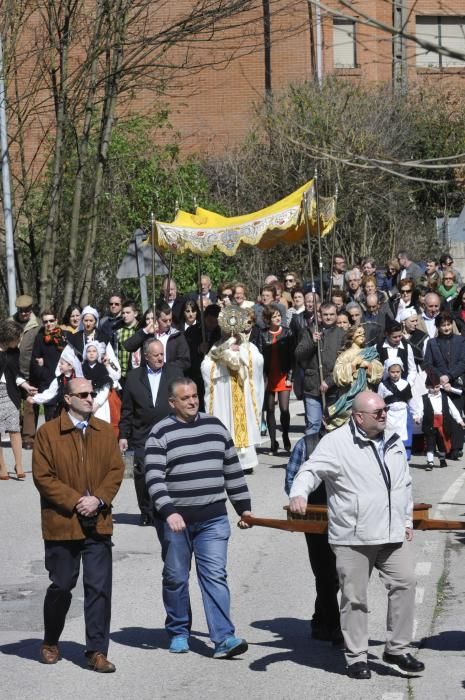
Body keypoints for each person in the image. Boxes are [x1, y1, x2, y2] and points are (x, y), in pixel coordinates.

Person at [289, 390, 425, 680]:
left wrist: (406, 519)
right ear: (358, 417)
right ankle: (356, 657)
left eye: (385, 410)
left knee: (406, 583)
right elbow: (310, 470)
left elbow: (404, 484)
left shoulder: (394, 440)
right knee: (355, 599)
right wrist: (299, 493)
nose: (384, 415)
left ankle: (397, 649)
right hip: (354, 536)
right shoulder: (336, 443)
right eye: (378, 412)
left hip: (391, 533)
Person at [144, 377, 252, 658]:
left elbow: (232, 470)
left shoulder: (215, 426)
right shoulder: (160, 433)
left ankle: (223, 638)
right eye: (185, 398)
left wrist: (244, 508)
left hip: (213, 518)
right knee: (176, 577)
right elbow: (153, 478)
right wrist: (169, 511)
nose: (192, 401)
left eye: (195, 396)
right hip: (175, 521)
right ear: (172, 403)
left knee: (214, 575)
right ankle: (179, 631)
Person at [32, 377, 124, 671]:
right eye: (82, 394)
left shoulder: (104, 431)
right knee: (61, 585)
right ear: (68, 399)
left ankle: (96, 651)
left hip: (98, 521)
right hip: (62, 523)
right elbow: (43, 477)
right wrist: (76, 500)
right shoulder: (48, 433)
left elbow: (115, 470)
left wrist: (98, 499)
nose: (89, 398)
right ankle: (50, 640)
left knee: (99, 587)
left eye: (91, 393)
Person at [119, 338, 183, 525]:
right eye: (156, 355)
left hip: (169, 431)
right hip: (141, 434)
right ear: (146, 356)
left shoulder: (175, 373)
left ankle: (165, 508)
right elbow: (127, 409)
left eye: (162, 354)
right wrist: (123, 435)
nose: (160, 358)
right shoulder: (133, 377)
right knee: (141, 474)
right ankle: (146, 511)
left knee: (168, 471)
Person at [285, 434, 341, 644]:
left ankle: (320, 619)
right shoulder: (307, 445)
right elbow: (292, 480)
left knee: (342, 576)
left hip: (349, 519)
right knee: (325, 574)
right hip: (317, 519)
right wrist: (300, 498)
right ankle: (334, 626)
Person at [201, 306, 264, 474]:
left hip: (242, 393)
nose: (230, 335)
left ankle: (246, 462)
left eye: (233, 332)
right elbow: (206, 367)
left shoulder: (248, 346)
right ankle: (226, 459)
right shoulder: (216, 346)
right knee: (225, 423)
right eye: (227, 332)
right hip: (223, 392)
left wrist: (243, 353)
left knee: (244, 424)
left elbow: (257, 362)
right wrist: (222, 356)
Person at [295, 302, 345, 436]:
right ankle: (311, 454)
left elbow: (344, 364)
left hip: (333, 388)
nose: (328, 317)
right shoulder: (309, 331)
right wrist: (312, 342)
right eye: (325, 315)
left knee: (333, 425)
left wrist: (329, 381)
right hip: (312, 387)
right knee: (313, 424)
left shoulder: (342, 334)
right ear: (320, 316)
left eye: (331, 314)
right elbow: (298, 355)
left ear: (336, 315)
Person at [423, 311, 465, 459]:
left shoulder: (460, 340)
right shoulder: (432, 343)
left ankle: (457, 447)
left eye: (448, 324)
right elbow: (427, 363)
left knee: (457, 414)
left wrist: (450, 376)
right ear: (437, 327)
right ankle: (445, 446)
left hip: (457, 384)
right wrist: (440, 377)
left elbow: (462, 362)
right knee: (444, 415)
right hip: (439, 385)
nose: (446, 328)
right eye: (443, 325)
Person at [0, 320, 37, 480]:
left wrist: (27, 386)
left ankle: (19, 464)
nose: (19, 341)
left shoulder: (15, 352)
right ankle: (2, 466)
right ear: (9, 338)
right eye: (18, 338)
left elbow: (16, 374)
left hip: (10, 393)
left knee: (15, 429)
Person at [327, 326, 383, 429]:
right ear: (352, 336)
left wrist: (369, 366)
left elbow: (379, 371)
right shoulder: (344, 356)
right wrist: (352, 365)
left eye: (363, 333)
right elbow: (337, 376)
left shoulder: (369, 353)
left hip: (366, 393)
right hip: (349, 394)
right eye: (359, 332)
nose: (362, 335)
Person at [258, 303, 294, 454]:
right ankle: (273, 442)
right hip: (268, 376)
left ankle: (285, 434)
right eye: (274, 316)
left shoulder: (288, 332)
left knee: (284, 409)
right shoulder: (262, 334)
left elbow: (293, 356)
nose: (278, 318)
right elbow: (259, 356)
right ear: (268, 319)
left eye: (279, 315)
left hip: (283, 375)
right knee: (270, 409)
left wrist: (290, 377)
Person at [412, 370, 465, 471]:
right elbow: (419, 409)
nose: (435, 389)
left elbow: (453, 409)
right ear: (427, 387)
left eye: (436, 387)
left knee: (442, 443)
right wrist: (417, 417)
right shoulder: (424, 398)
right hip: (430, 424)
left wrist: (460, 420)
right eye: (432, 387)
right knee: (430, 443)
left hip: (442, 423)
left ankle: (442, 459)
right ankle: (430, 462)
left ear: (439, 386)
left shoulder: (445, 397)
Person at [10, 294, 40, 449]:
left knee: (29, 404)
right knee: (13, 404)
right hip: (11, 371)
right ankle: (18, 431)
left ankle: (29, 437)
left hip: (30, 371)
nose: (24, 313)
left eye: (27, 310)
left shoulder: (37, 325)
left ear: (31, 309)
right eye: (21, 311)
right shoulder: (9, 323)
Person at [123, 303, 191, 371]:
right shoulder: (147, 335)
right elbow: (128, 346)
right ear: (156, 319)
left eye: (170, 320)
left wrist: (164, 367)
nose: (168, 323)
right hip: (148, 376)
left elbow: (185, 361)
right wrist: (145, 331)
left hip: (170, 377)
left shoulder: (177, 335)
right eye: (164, 321)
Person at [30, 309, 68, 421]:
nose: (49, 324)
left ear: (56, 320)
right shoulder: (40, 338)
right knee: (50, 419)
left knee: (65, 417)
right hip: (48, 382)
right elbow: (34, 362)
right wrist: (44, 374)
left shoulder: (64, 336)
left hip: (65, 381)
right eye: (45, 322)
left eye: (51, 320)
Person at [28, 344, 83, 418]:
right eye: (60, 363)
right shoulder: (58, 380)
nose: (59, 365)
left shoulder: (78, 379)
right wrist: (35, 399)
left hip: (76, 411)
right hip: (62, 411)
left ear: (70, 366)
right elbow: (49, 393)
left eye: (62, 364)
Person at [377, 358, 415, 459]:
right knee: (390, 434)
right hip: (390, 415)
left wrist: (416, 414)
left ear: (401, 371)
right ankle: (390, 455)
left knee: (403, 435)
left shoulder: (405, 384)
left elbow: (410, 400)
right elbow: (379, 400)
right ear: (388, 372)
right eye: (392, 372)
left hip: (403, 414)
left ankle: (404, 456)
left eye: (397, 372)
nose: (395, 374)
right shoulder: (383, 385)